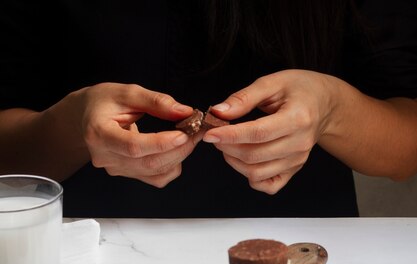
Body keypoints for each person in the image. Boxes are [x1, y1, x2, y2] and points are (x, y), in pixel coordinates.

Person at [0, 0, 416, 218]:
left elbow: (407, 145)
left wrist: (332, 109)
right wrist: (72, 127)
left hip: (302, 258)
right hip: (91, 258)